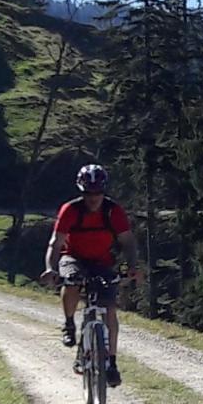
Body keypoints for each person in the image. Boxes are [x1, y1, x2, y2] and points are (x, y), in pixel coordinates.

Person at [40, 165, 139, 387]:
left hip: (102, 261)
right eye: (88, 193)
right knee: (72, 281)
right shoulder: (71, 210)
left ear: (104, 191)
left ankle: (112, 363)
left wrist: (132, 267)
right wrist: (50, 268)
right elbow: (55, 243)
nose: (93, 198)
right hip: (73, 257)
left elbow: (128, 242)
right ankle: (69, 324)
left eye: (97, 193)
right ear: (81, 191)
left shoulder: (113, 211)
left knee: (110, 311)